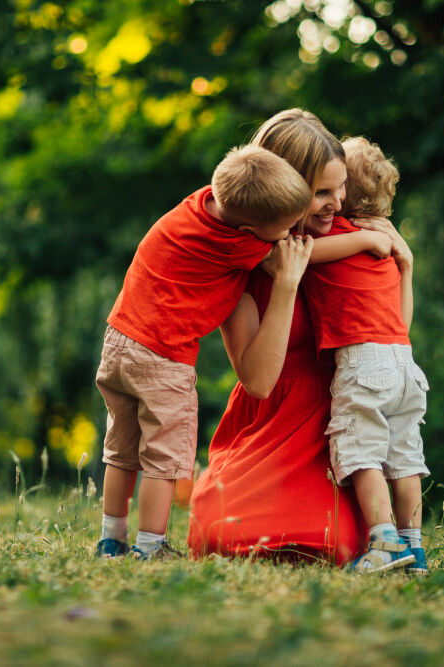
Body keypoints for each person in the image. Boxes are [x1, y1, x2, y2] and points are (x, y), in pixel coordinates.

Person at [187, 109, 397, 564]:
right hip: (268, 423)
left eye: (340, 187)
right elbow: (258, 381)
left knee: (329, 539)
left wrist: (408, 267)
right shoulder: (240, 264)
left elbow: (393, 338)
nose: (337, 203)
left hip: (333, 425)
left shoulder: (350, 238)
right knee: (221, 531)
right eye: (321, 193)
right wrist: (285, 283)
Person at [95, 144, 313, 560]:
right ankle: (149, 546)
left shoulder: (202, 205)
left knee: (121, 451)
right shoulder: (235, 245)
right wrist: (372, 240)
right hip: (163, 357)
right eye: (283, 229)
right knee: (163, 458)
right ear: (250, 234)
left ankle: (111, 540)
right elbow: (301, 258)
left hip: (119, 342)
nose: (289, 234)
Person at [302, 136, 430, 574]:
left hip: (364, 363)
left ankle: (384, 541)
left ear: (341, 195)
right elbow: (401, 321)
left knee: (362, 453)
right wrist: (401, 261)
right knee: (405, 458)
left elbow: (300, 254)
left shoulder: (338, 233)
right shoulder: (384, 245)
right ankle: (416, 547)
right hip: (404, 361)